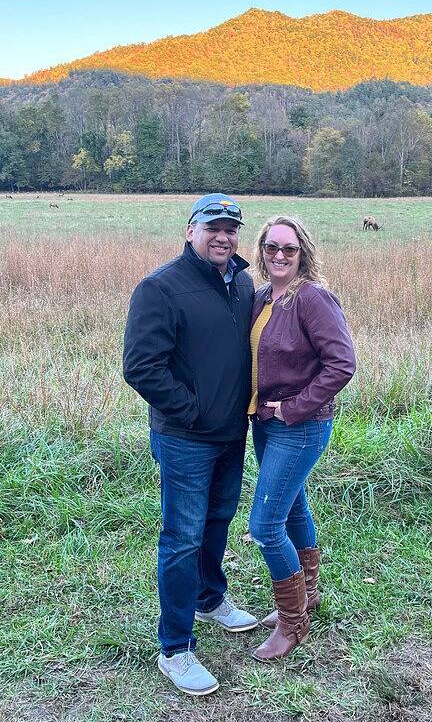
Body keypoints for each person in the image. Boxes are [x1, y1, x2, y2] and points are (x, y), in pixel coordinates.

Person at [123, 193, 258, 696]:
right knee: (181, 537)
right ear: (190, 230)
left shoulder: (242, 283)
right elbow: (140, 366)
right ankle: (175, 648)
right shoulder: (160, 287)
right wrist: (191, 410)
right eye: (213, 227)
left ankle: (209, 597)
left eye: (231, 228)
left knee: (218, 521)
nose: (223, 236)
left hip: (231, 433)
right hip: (185, 438)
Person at [247, 216, 356, 661]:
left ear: (302, 254)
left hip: (300, 425)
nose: (279, 255)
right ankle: (306, 592)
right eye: (272, 247)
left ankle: (293, 623)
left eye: (288, 249)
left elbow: (342, 364)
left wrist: (293, 408)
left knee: (265, 525)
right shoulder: (260, 299)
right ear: (261, 250)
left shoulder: (312, 299)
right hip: (264, 422)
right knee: (292, 508)